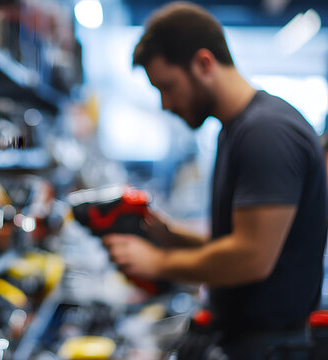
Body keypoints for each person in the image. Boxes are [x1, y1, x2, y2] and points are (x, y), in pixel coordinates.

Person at [102, 2, 328, 358]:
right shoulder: (235, 130)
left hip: (271, 348)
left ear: (204, 63)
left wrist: (158, 262)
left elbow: (252, 257)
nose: (165, 104)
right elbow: (243, 239)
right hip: (247, 340)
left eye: (168, 86)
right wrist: (174, 236)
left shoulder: (266, 131)